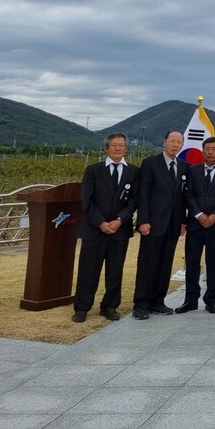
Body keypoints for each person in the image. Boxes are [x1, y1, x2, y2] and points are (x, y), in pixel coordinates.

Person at [72, 132, 139, 323]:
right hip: (94, 229)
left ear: (126, 148)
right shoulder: (93, 170)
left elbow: (134, 200)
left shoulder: (133, 171)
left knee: (115, 271)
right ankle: (82, 307)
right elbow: (87, 200)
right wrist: (101, 223)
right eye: (114, 145)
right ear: (106, 148)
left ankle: (109, 306)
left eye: (121, 145)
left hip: (120, 230)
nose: (118, 148)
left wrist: (120, 220)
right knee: (88, 270)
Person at [133, 130, 188, 319]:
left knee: (165, 264)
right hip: (153, 223)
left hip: (173, 225)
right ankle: (141, 303)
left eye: (179, 141)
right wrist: (143, 220)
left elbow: (182, 198)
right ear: (164, 142)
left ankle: (158, 301)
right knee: (148, 263)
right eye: (172, 140)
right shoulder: (150, 163)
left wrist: (183, 222)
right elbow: (144, 194)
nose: (175, 144)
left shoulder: (183, 166)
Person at [177, 136, 215, 314]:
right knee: (192, 263)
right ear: (203, 150)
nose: (211, 152)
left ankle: (211, 299)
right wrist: (199, 214)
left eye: (214, 149)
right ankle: (190, 300)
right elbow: (188, 195)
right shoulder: (193, 170)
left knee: (214, 263)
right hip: (196, 224)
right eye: (207, 148)